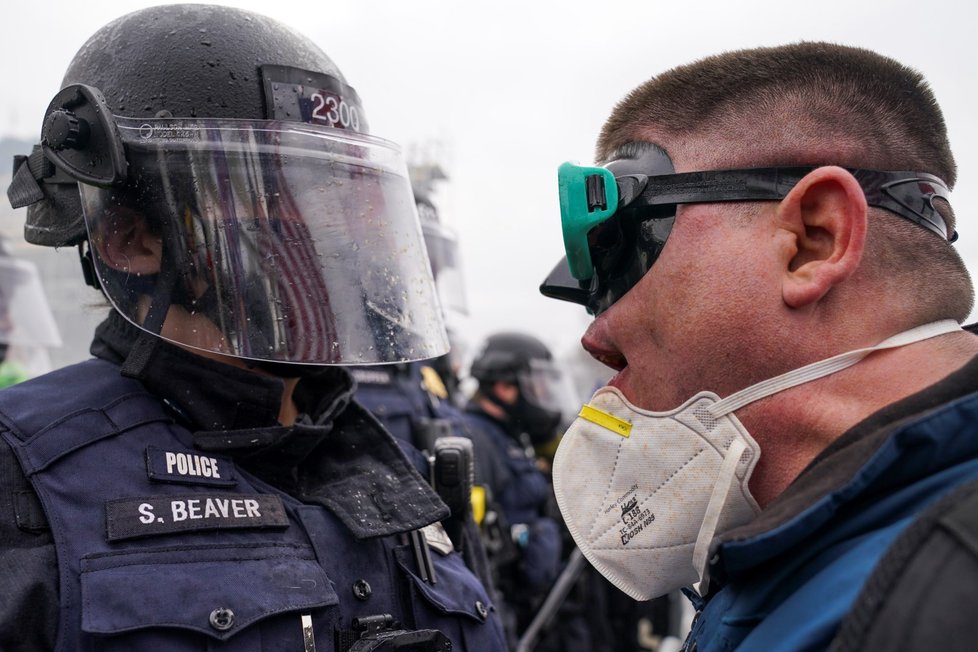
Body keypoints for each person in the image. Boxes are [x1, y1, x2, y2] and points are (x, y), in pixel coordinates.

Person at [0, 5, 505, 651]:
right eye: (277, 196)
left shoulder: (393, 464)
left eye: (344, 202)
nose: (337, 237)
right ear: (131, 237)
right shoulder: (25, 471)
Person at [539, 42, 978, 651]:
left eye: (616, 246)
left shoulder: (944, 592)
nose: (596, 332)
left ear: (813, 240)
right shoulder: (805, 556)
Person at [463, 332, 574, 644]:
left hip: (533, 604)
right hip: (506, 611)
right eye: (536, 382)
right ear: (504, 387)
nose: (543, 393)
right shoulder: (475, 439)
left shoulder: (510, 436)